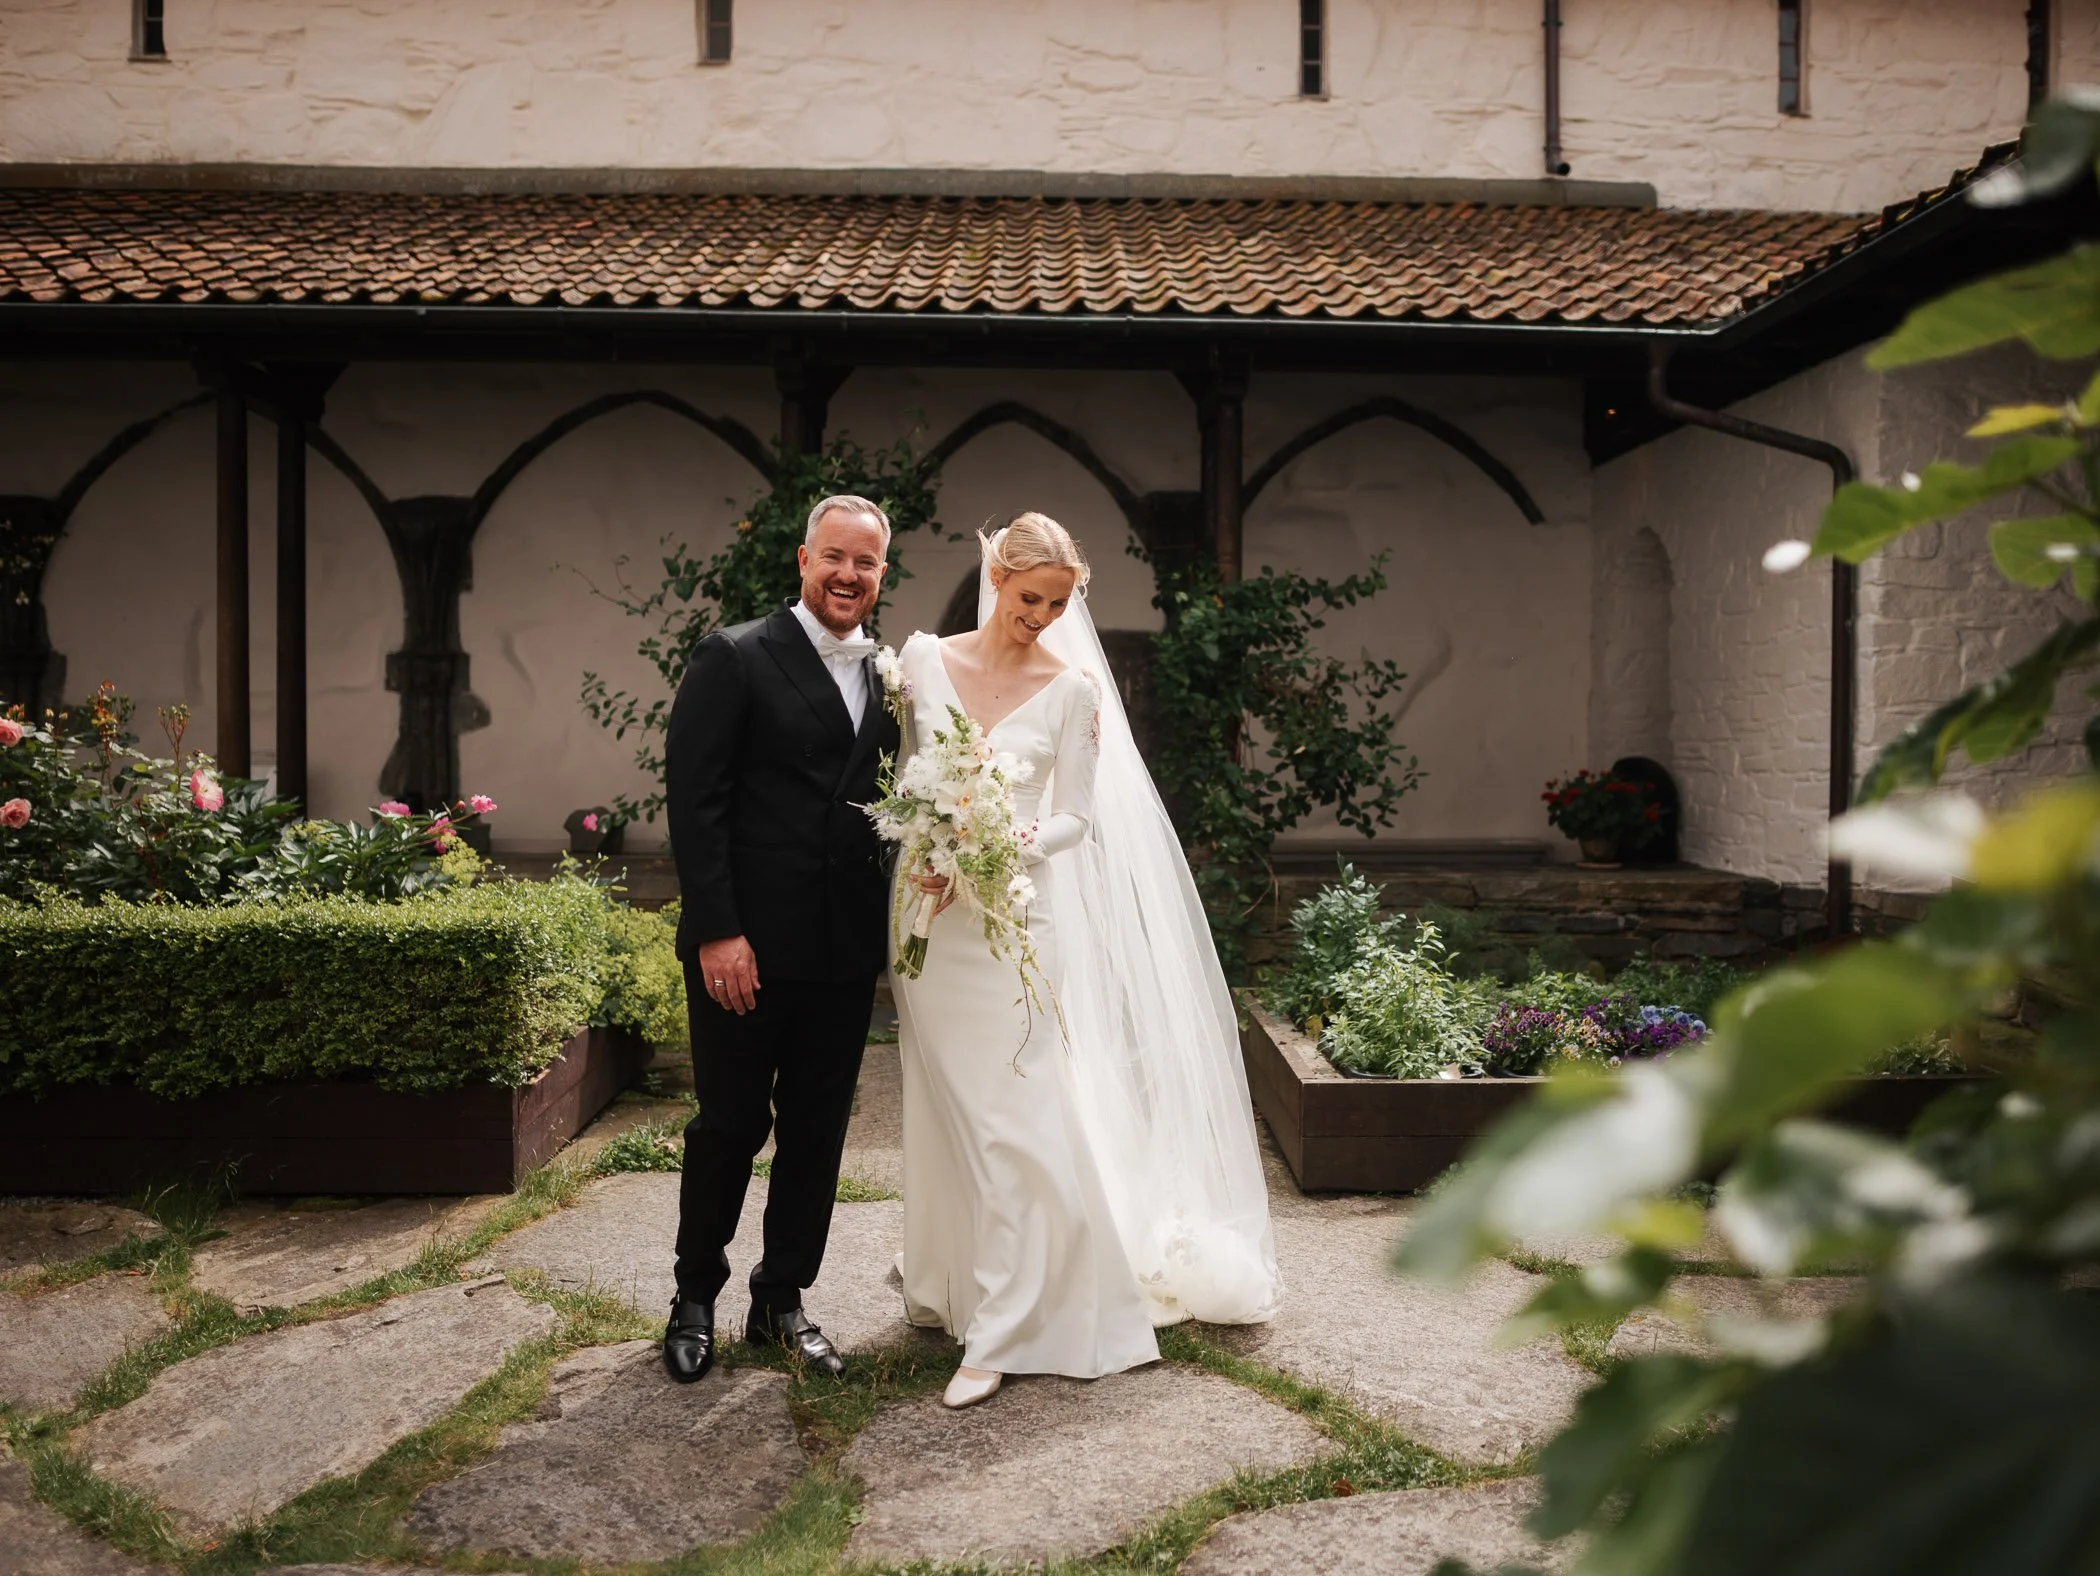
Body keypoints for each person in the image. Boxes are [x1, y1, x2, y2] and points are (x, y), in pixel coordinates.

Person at [893, 513, 1282, 1410]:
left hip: (1020, 921)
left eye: (1058, 604)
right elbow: (909, 780)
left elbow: (1077, 819)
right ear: (998, 577)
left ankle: (1009, 1327)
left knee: (1018, 1118)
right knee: (950, 1102)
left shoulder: (1072, 693)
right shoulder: (920, 661)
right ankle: (956, 1282)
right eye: (1030, 598)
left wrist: (998, 843)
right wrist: (935, 849)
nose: (1041, 616)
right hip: (927, 917)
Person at [660, 493, 900, 1383]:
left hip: (840, 951)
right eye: (834, 557)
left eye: (866, 563)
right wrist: (719, 931)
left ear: (882, 574)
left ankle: (782, 1298)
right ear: (804, 561)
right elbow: (697, 802)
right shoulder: (736, 656)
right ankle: (694, 1297)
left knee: (815, 1133)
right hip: (746, 951)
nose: (848, 575)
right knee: (727, 1124)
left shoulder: (889, 677)